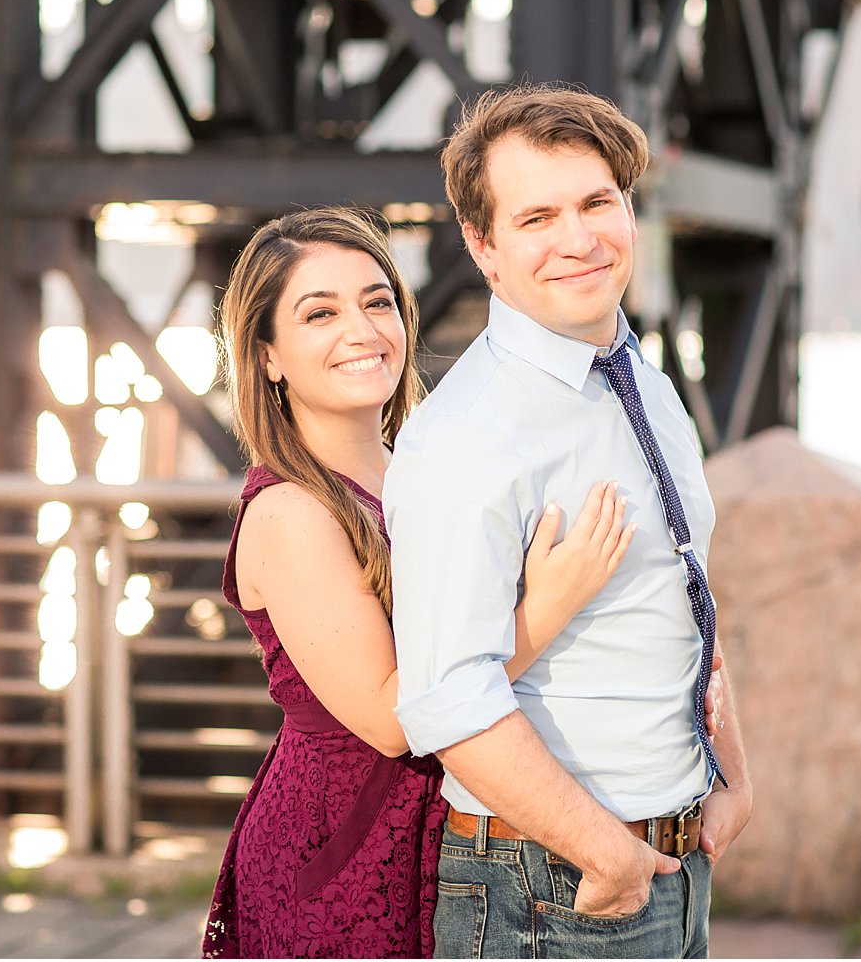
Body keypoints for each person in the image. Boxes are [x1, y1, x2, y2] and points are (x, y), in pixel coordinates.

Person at [201, 206, 642, 958]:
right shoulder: (290, 512)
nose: (363, 330)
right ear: (267, 354)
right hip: (342, 848)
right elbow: (393, 720)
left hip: (446, 827)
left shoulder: (419, 466)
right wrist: (549, 605)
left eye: (378, 302)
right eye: (320, 313)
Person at [386, 84, 754, 958]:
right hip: (554, 885)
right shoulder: (468, 436)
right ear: (483, 246)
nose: (579, 239)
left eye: (598, 202)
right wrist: (606, 854)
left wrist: (734, 774)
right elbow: (446, 696)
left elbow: (684, 585)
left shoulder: (641, 380)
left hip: (672, 859)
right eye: (537, 217)